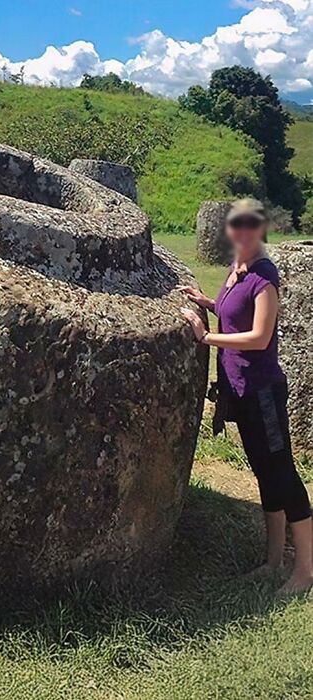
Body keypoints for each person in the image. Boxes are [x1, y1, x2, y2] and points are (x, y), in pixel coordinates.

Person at [179, 198, 313, 596]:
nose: (242, 233)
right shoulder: (237, 270)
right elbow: (231, 310)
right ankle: (273, 560)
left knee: (283, 474)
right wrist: (208, 303)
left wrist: (206, 337)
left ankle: (305, 569)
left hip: (262, 391)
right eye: (236, 226)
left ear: (260, 232)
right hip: (240, 390)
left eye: (250, 227)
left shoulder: (264, 278)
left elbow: (258, 338)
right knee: (263, 470)